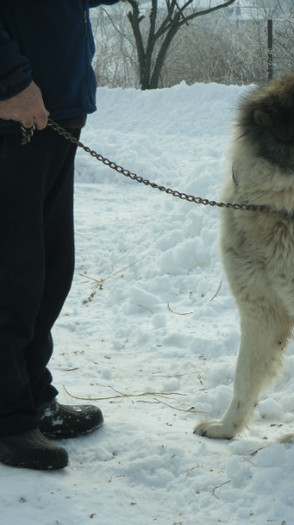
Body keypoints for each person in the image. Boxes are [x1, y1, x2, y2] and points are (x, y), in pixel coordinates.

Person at [0, 0, 125, 470]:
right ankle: (8, 417)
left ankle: (32, 397)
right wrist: (9, 79)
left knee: (49, 271)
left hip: (54, 110)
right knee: (12, 276)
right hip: (14, 111)